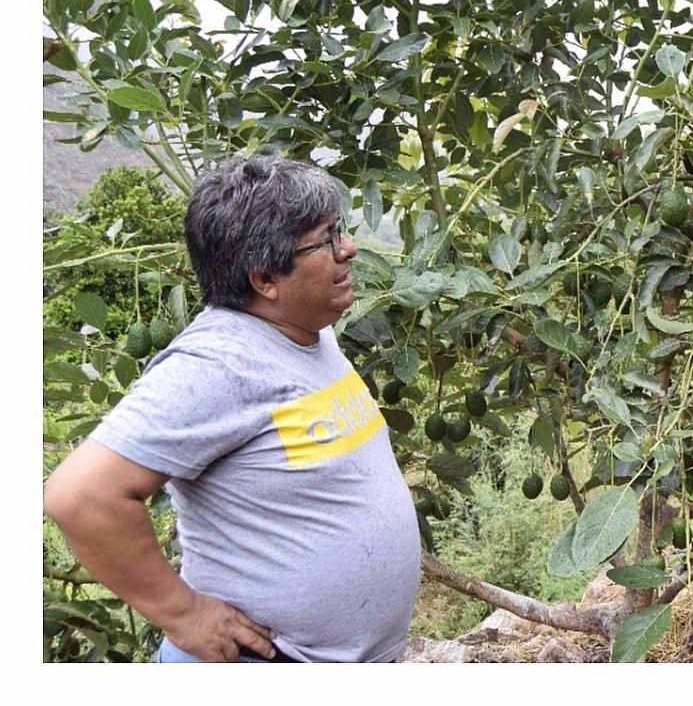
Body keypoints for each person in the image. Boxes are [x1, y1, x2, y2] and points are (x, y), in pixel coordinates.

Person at [44, 156, 421, 663]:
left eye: (341, 230)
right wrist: (181, 613)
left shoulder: (305, 330)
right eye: (328, 239)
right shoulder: (218, 364)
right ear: (266, 280)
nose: (348, 248)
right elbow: (81, 496)